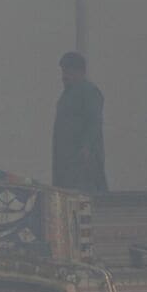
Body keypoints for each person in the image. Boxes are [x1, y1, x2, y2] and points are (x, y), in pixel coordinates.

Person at [51, 51, 107, 193]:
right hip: (64, 164)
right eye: (63, 71)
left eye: (68, 71)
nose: (64, 76)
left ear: (80, 72)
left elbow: (94, 121)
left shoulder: (89, 92)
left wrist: (86, 146)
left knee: (84, 199)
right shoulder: (66, 95)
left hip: (83, 165)